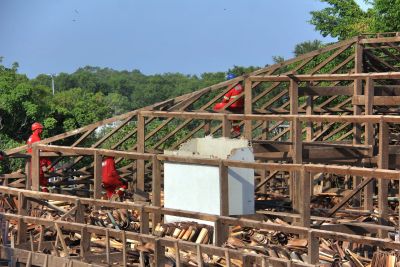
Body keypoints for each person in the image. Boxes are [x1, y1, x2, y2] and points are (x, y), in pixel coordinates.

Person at [27, 122, 54, 192]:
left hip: (37, 161)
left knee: (42, 180)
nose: (41, 131)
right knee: (39, 179)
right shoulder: (34, 138)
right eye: (40, 129)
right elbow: (39, 150)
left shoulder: (35, 137)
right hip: (37, 161)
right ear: (37, 129)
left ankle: (43, 193)